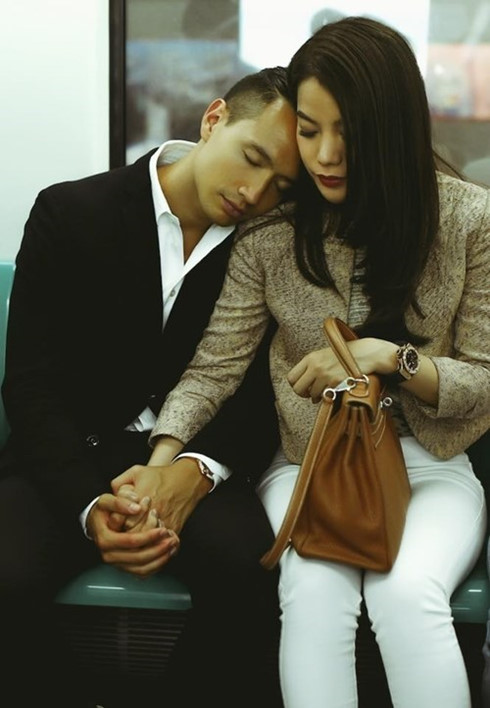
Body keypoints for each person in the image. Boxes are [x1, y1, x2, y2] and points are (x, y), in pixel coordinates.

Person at [122, 16, 490, 708]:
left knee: (408, 593)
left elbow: (485, 378)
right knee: (313, 593)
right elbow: (214, 369)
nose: (325, 155)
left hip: (432, 464)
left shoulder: (470, 219)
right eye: (310, 129)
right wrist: (162, 461)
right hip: (307, 459)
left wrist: (395, 359)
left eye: (348, 132)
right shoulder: (273, 232)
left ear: (392, 128)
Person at [0, 67, 299, 707]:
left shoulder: (274, 244)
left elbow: (261, 391)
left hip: (196, 458)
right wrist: (88, 504)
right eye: (253, 158)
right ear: (214, 119)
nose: (255, 193)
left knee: (253, 570)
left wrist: (194, 473)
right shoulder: (69, 211)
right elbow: (30, 384)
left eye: (281, 185)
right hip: (67, 457)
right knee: (5, 571)